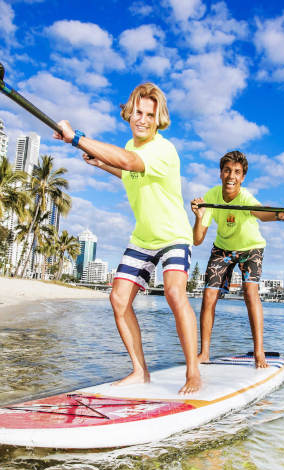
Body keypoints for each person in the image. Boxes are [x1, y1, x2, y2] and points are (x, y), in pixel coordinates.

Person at [54, 83, 201, 395]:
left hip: (174, 234)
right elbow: (129, 172)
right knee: (119, 298)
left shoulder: (163, 149)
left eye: (150, 114)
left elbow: (130, 163)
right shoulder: (129, 148)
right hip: (144, 236)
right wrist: (100, 162)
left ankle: (193, 372)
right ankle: (140, 371)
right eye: (138, 112)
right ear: (128, 113)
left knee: (175, 293)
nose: (143, 119)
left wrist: (77, 138)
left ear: (158, 118)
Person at [190, 151, 284, 369]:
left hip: (251, 249)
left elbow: (261, 212)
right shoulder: (211, 196)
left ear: (243, 177)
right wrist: (199, 217)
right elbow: (198, 240)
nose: (231, 176)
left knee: (250, 292)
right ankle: (204, 353)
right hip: (222, 248)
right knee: (209, 295)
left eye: (237, 172)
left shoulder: (245, 197)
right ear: (220, 173)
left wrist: (280, 215)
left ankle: (259, 352)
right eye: (227, 170)